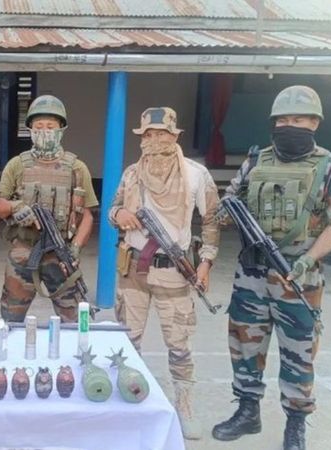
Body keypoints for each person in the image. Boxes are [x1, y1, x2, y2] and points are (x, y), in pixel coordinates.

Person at [212, 85, 331, 450]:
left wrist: (306, 261)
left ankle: (296, 424)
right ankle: (247, 411)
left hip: (299, 277)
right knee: (244, 345)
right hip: (251, 274)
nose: (290, 126)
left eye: (299, 120)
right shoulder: (256, 161)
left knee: (298, 352)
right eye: (283, 120)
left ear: (315, 123)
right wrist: (226, 214)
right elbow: (229, 200)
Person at [108, 107, 220, 440]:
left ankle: (184, 406)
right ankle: (129, 400)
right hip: (133, 271)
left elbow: (212, 221)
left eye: (162, 134)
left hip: (174, 272)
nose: (154, 140)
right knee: (128, 341)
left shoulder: (196, 174)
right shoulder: (131, 173)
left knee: (179, 344)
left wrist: (206, 262)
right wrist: (120, 214)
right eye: (148, 134)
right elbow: (112, 209)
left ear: (175, 136)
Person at [0, 95, 98, 322]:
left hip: (60, 252)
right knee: (11, 318)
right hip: (24, 250)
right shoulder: (17, 164)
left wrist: (75, 249)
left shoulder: (77, 168)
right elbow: (0, 206)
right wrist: (16, 207)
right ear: (30, 129)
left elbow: (87, 216)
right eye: (39, 126)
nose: (44, 131)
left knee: (73, 318)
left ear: (61, 129)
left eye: (50, 126)